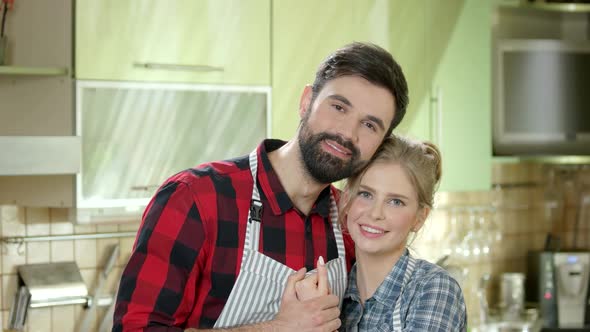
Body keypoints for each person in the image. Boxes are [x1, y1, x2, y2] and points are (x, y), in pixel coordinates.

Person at [112, 42, 409, 332]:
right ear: (306, 101)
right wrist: (277, 328)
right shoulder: (195, 198)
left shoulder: (353, 222)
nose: (347, 133)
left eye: (370, 125)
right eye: (338, 107)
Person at [296, 135, 467, 331]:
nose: (375, 213)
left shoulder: (433, 289)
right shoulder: (336, 295)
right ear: (348, 198)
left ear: (419, 218)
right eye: (366, 194)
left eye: (396, 201)